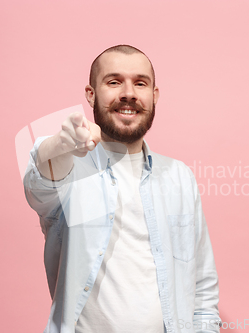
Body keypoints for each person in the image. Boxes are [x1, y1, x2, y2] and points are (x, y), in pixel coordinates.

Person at [23, 45, 221, 333]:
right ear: (91, 94)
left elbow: (202, 284)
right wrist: (60, 145)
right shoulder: (70, 170)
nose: (128, 93)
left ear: (154, 96)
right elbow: (39, 184)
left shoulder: (179, 177)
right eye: (114, 82)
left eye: (140, 83)